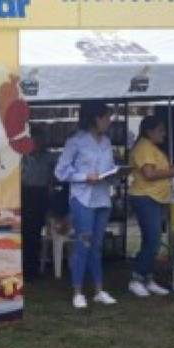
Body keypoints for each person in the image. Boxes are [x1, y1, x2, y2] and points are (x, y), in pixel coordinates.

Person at [55, 102, 119, 309]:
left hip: (102, 197)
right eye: (106, 117)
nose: (109, 121)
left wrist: (115, 175)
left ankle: (99, 290)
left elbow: (108, 169)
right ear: (95, 118)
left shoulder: (107, 142)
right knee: (83, 244)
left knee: (97, 247)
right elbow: (60, 171)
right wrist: (84, 176)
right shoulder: (76, 141)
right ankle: (77, 291)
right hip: (82, 198)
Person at [127, 116, 174, 297]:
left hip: (156, 198)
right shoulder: (144, 147)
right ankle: (136, 278)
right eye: (160, 130)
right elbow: (149, 173)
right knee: (154, 240)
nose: (164, 134)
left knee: (151, 240)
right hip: (145, 197)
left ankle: (148, 279)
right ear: (149, 131)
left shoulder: (151, 148)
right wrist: (171, 172)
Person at [20, 125, 55, 280]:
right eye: (35, 140)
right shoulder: (22, 157)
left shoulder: (48, 157)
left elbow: (53, 178)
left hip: (41, 195)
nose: (39, 143)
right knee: (26, 233)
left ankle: (33, 269)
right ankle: (25, 269)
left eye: (41, 140)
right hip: (25, 194)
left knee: (35, 233)